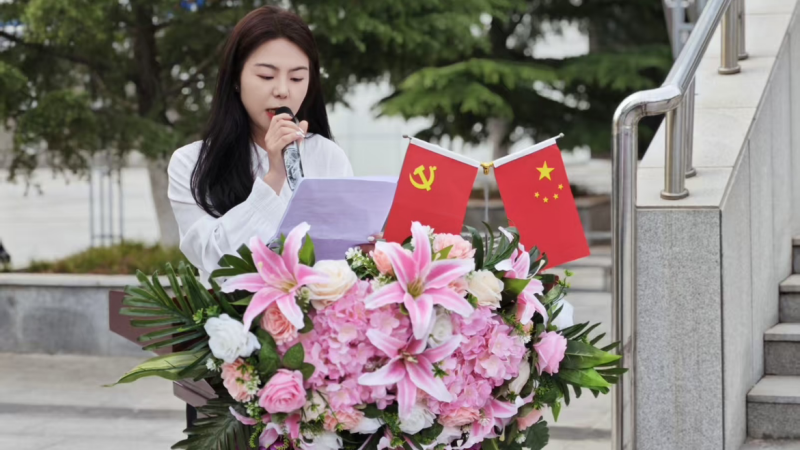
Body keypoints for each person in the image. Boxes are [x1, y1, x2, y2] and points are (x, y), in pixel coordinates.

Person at [168, 6, 354, 283]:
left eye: (297, 78)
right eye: (266, 76)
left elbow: (344, 256)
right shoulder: (191, 163)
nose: (282, 90)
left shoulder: (327, 156)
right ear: (235, 79)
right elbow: (215, 260)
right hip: (226, 311)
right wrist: (274, 176)